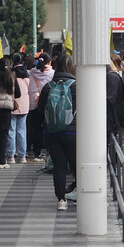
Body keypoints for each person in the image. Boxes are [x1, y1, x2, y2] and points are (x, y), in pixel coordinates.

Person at [35, 54, 77, 211]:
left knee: (59, 165)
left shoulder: (48, 86)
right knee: (76, 164)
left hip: (52, 132)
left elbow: (40, 110)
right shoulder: (76, 85)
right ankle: (79, 193)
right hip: (73, 133)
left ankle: (61, 199)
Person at [26, 52, 53, 162]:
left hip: (34, 103)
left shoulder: (32, 72)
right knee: (49, 127)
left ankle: (37, 153)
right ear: (49, 62)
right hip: (48, 103)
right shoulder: (52, 73)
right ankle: (49, 152)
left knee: (36, 128)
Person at [6, 53, 30, 164]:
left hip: (13, 104)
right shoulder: (27, 74)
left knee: (11, 130)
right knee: (22, 131)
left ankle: (10, 156)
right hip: (25, 105)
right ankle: (22, 156)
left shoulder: (11, 74)